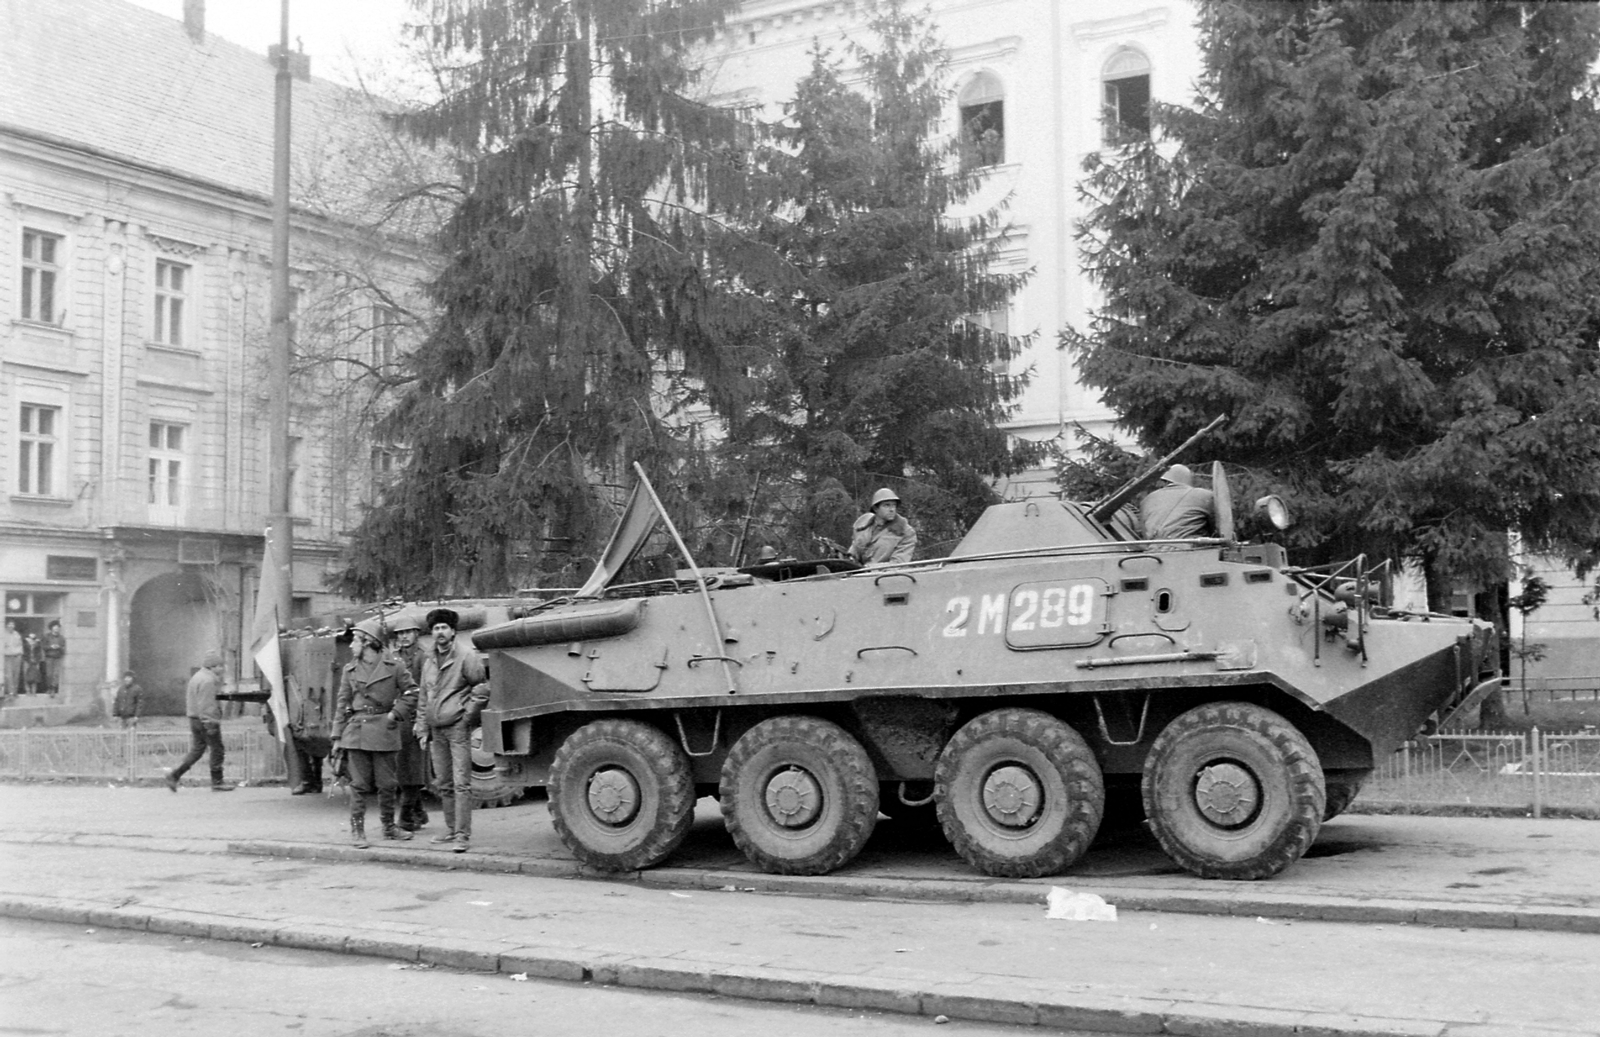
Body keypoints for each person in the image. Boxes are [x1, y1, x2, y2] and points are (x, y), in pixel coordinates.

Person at [331, 618, 418, 848]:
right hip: (357, 731)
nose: (351, 646)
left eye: (355, 641)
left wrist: (395, 714)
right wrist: (337, 737)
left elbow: (412, 692)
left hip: (384, 729)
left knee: (387, 783)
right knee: (358, 785)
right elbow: (342, 703)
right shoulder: (350, 669)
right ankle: (357, 831)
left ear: (369, 642)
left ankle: (388, 827)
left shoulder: (395, 666)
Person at [415, 607, 489, 853]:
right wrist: (422, 727)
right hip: (436, 730)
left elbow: (481, 689)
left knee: (461, 783)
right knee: (444, 782)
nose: (440, 632)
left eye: (444, 627)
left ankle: (462, 835)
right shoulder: (428, 660)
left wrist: (467, 717)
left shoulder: (466, 656)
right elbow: (424, 696)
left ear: (453, 631)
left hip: (457, 727)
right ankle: (449, 828)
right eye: (436, 628)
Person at [165, 650, 232, 792]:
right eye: (219, 666)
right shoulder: (208, 681)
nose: (222, 669)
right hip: (206, 720)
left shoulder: (197, 677)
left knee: (197, 750)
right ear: (211, 667)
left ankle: (174, 775)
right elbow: (207, 704)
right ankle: (217, 782)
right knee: (217, 749)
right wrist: (210, 723)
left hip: (194, 719)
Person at [388, 611, 430, 831]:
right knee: (401, 768)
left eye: (408, 632)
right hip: (396, 718)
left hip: (414, 718)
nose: (404, 636)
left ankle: (405, 815)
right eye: (400, 633)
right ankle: (418, 812)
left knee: (412, 769)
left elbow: (426, 690)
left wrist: (421, 720)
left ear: (416, 634)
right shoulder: (393, 657)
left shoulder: (424, 657)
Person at [1138, 464, 1218, 540]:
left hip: (1153, 549)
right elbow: (1216, 526)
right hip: (1191, 548)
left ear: (1165, 481)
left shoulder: (1147, 499)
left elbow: (1144, 531)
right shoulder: (1205, 495)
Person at [848, 487, 918, 565]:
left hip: (885, 575)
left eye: (894, 505)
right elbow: (853, 553)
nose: (892, 509)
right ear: (875, 508)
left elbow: (898, 563)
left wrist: (869, 568)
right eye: (887, 505)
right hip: (855, 574)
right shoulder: (863, 526)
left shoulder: (905, 532)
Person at [40, 619, 65, 696]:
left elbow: (63, 649)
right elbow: (43, 646)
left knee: (56, 674)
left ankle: (53, 689)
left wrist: (59, 647)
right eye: (55, 627)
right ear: (51, 628)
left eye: (58, 627)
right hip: (49, 657)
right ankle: (48, 688)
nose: (56, 629)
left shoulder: (61, 638)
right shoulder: (46, 636)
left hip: (57, 658)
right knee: (49, 674)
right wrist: (51, 647)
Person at [3, 620, 22, 701]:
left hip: (17, 656)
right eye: (9, 624)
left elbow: (20, 645)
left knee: (16, 675)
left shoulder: (17, 634)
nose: (11, 626)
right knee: (9, 675)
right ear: (7, 626)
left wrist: (20, 654)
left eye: (12, 624)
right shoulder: (3, 634)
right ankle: (10, 693)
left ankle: (15, 692)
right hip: (8, 657)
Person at [20, 631, 43, 695]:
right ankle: (27, 691)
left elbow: (40, 653)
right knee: (26, 675)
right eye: (30, 637)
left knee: (34, 676)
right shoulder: (24, 644)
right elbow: (23, 652)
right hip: (27, 661)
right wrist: (27, 659)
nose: (32, 639)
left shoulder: (38, 644)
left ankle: (33, 691)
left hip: (35, 662)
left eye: (33, 638)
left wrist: (37, 660)